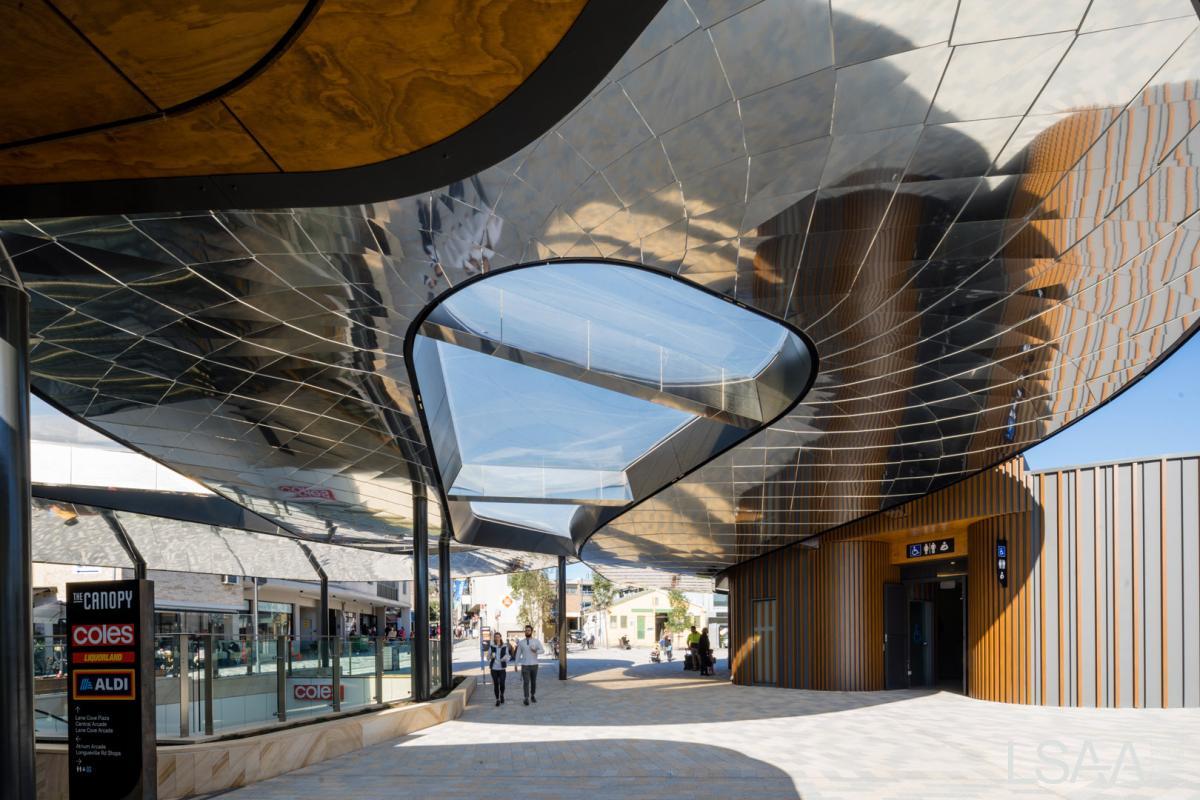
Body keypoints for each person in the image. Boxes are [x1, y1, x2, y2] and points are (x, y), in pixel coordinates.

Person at [512, 624, 544, 705]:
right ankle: (526, 698)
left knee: (533, 682)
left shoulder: (536, 641)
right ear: (525, 632)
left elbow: (542, 650)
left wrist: (535, 651)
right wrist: (516, 664)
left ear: (531, 631)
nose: (527, 631)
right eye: (526, 630)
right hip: (525, 665)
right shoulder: (521, 642)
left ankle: (532, 695)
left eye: (529, 630)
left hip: (534, 665)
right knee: (526, 682)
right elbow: (518, 654)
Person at [485, 631, 511, 706]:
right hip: (494, 668)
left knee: (502, 683)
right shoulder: (492, 647)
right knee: (496, 684)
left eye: (498, 637)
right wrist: (490, 657)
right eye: (495, 637)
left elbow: (508, 656)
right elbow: (487, 657)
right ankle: (497, 699)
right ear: (494, 638)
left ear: (500, 638)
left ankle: (502, 694)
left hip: (502, 668)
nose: (497, 638)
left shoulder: (504, 646)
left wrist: (505, 658)